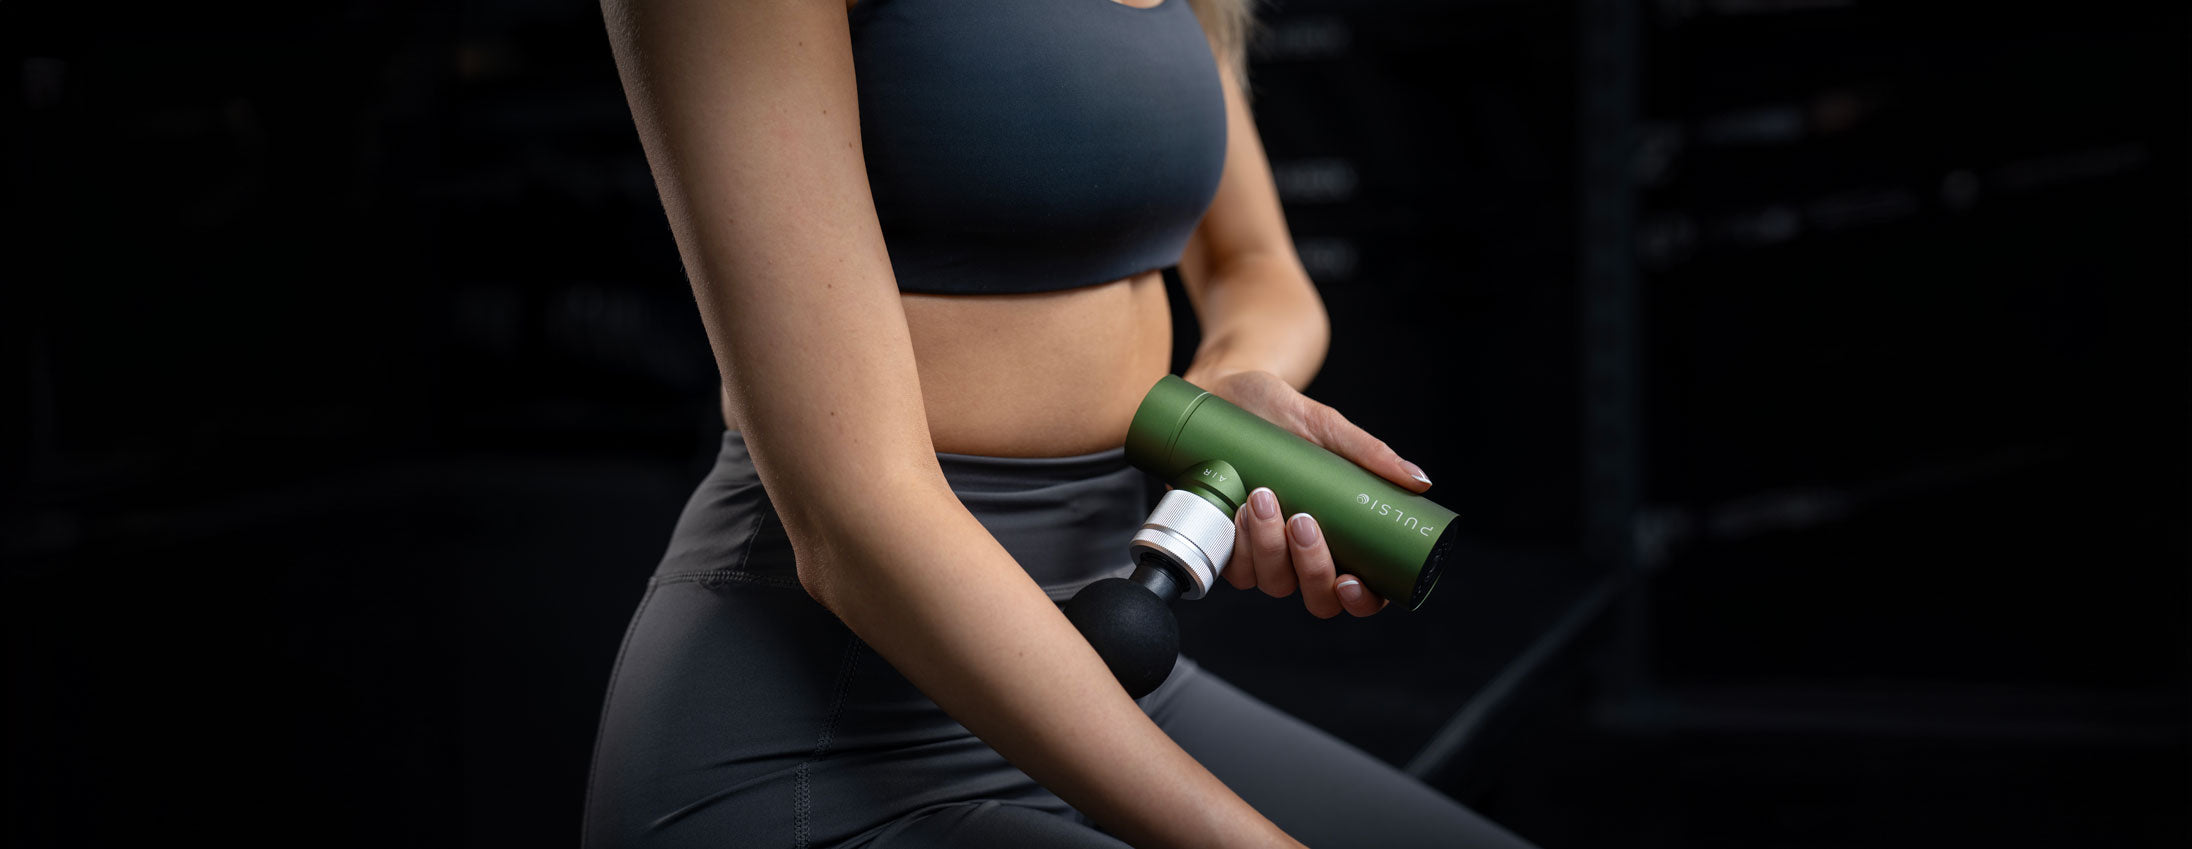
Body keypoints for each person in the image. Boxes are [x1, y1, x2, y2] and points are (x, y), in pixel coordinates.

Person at [581, 0, 1539, 847]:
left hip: (1109, 668)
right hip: (823, 724)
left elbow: (1260, 270)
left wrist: (1210, 416)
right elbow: (851, 523)